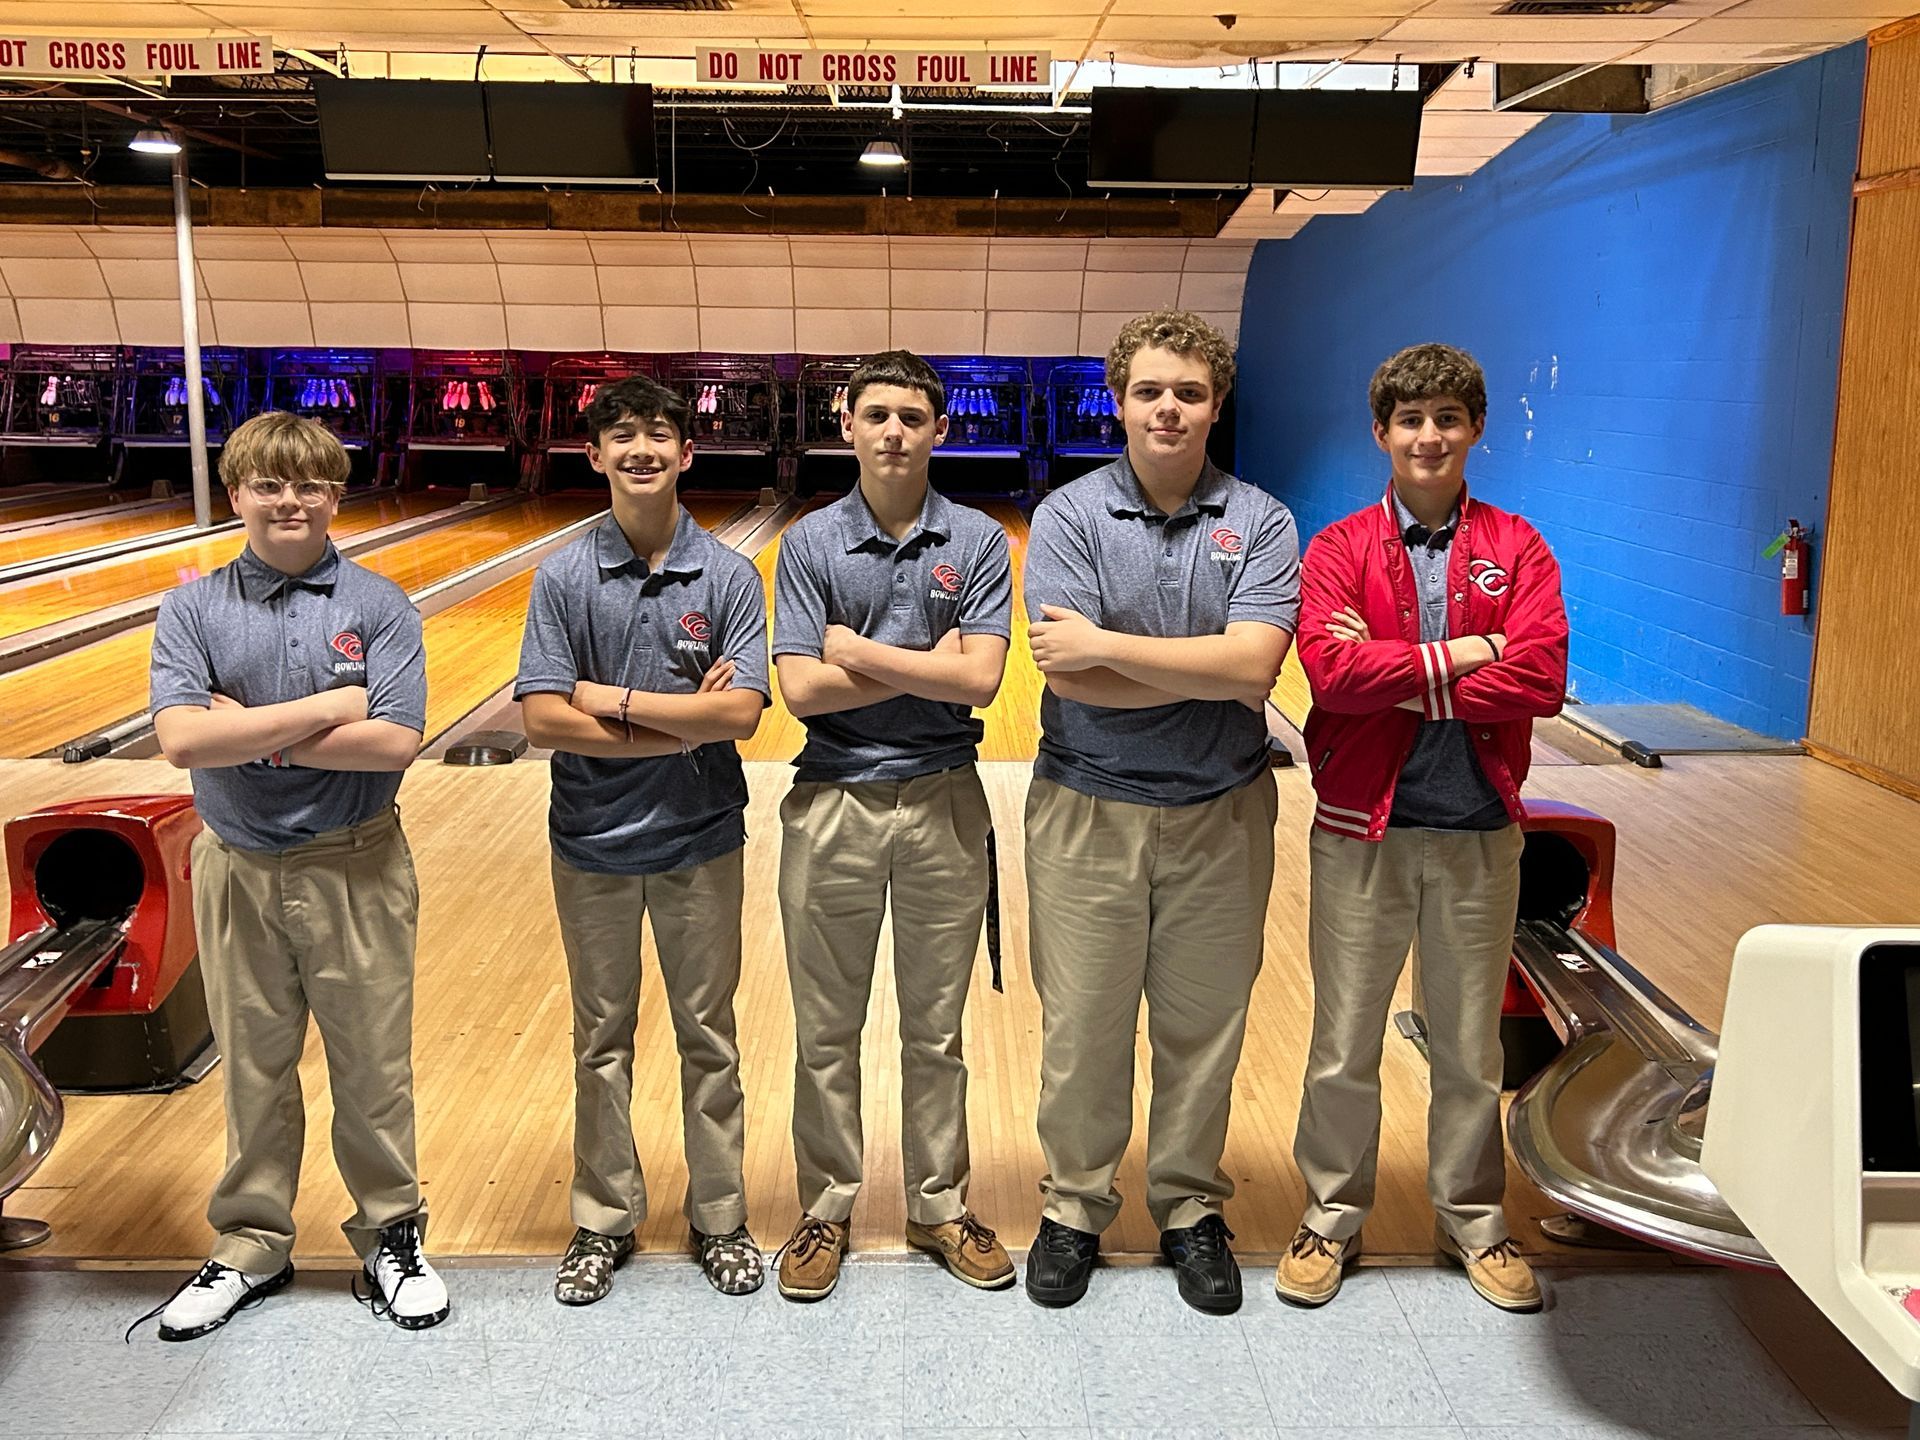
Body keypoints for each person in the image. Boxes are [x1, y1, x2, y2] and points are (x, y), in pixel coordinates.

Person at [1278, 342, 1568, 1314]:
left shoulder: (1518, 548)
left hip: (1481, 830)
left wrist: (1403, 666)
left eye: (1447, 418)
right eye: (1411, 420)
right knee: (1344, 1041)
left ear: (1475, 428)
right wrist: (1469, 654)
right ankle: (1330, 1216)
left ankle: (1475, 1221)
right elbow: (1333, 676)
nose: (1429, 436)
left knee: (1469, 1048)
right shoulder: (1339, 549)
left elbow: (1540, 679)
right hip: (1364, 829)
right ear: (1383, 433)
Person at [1020, 311, 1299, 1314]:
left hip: (1223, 813)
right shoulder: (1067, 516)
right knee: (1084, 1026)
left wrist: (1116, 647)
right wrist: (1203, 670)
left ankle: (1188, 1209)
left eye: (1189, 391)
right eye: (1150, 391)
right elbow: (1073, 680)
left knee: (1203, 1028)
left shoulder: (1261, 521)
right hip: (1087, 807)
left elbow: (1256, 669)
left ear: (1216, 402)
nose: (1169, 408)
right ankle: (1074, 1209)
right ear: (1120, 400)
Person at [145, 410, 446, 1339]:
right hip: (235, 867)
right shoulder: (192, 608)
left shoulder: (380, 605)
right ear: (237, 494)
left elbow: (395, 739)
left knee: (372, 1069)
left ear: (334, 495)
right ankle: (249, 1245)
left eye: (309, 484)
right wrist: (322, 713)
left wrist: (248, 732)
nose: (289, 500)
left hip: (355, 866)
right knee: (254, 1071)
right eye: (269, 484)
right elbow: (181, 738)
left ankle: (391, 1235)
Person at [514, 375, 770, 1304]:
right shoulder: (564, 577)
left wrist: (609, 700)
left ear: (686, 452)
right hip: (591, 840)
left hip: (702, 836)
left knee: (711, 1035)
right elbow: (541, 719)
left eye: (659, 435)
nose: (642, 451)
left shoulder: (731, 575)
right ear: (594, 455)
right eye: (622, 437)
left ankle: (722, 1217)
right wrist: (681, 720)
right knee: (601, 1038)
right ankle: (602, 1220)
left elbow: (741, 716)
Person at [769, 350, 1016, 1301]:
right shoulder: (809, 545)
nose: (894, 432)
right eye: (877, 415)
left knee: (936, 1030)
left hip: (945, 797)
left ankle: (938, 1204)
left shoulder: (981, 542)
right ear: (848, 423)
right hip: (831, 798)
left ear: (940, 428)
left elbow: (984, 680)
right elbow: (801, 691)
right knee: (825, 1031)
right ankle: (825, 1209)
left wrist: (861, 651)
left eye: (913, 416)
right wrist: (928, 661)